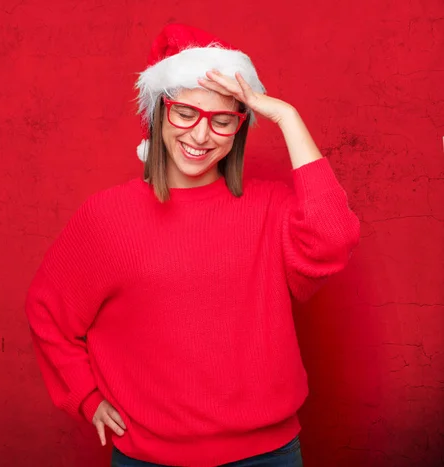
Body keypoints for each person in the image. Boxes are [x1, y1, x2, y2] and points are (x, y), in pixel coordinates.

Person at [25, 23, 360, 467]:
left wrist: (287, 117)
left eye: (221, 121)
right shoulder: (108, 216)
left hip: (269, 454)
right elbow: (48, 310)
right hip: (151, 457)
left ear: (239, 129)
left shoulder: (270, 208)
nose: (200, 137)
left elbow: (334, 239)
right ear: (159, 114)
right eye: (185, 114)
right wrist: (84, 396)